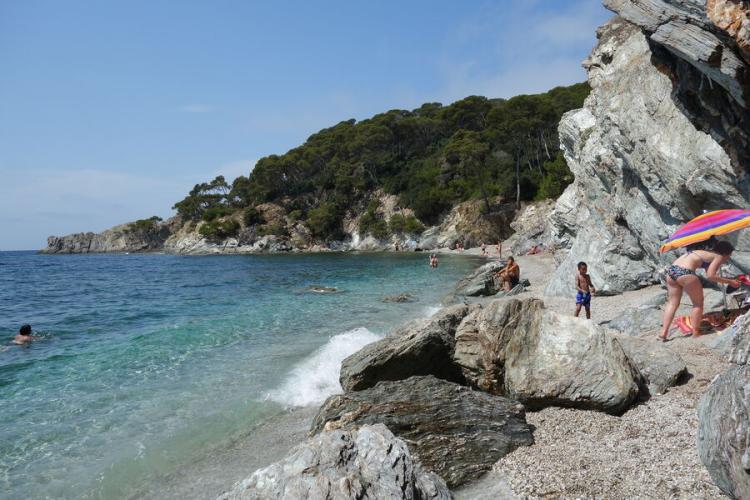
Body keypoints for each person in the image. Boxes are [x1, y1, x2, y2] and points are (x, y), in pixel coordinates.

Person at [659, 237, 740, 341]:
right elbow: (711, 276)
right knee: (698, 304)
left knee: (672, 303)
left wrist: (726, 278)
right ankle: (696, 333)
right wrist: (730, 282)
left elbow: (710, 273)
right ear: (725, 253)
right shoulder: (718, 256)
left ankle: (663, 332)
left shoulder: (705, 253)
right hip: (685, 273)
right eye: (728, 256)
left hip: (672, 271)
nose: (727, 259)